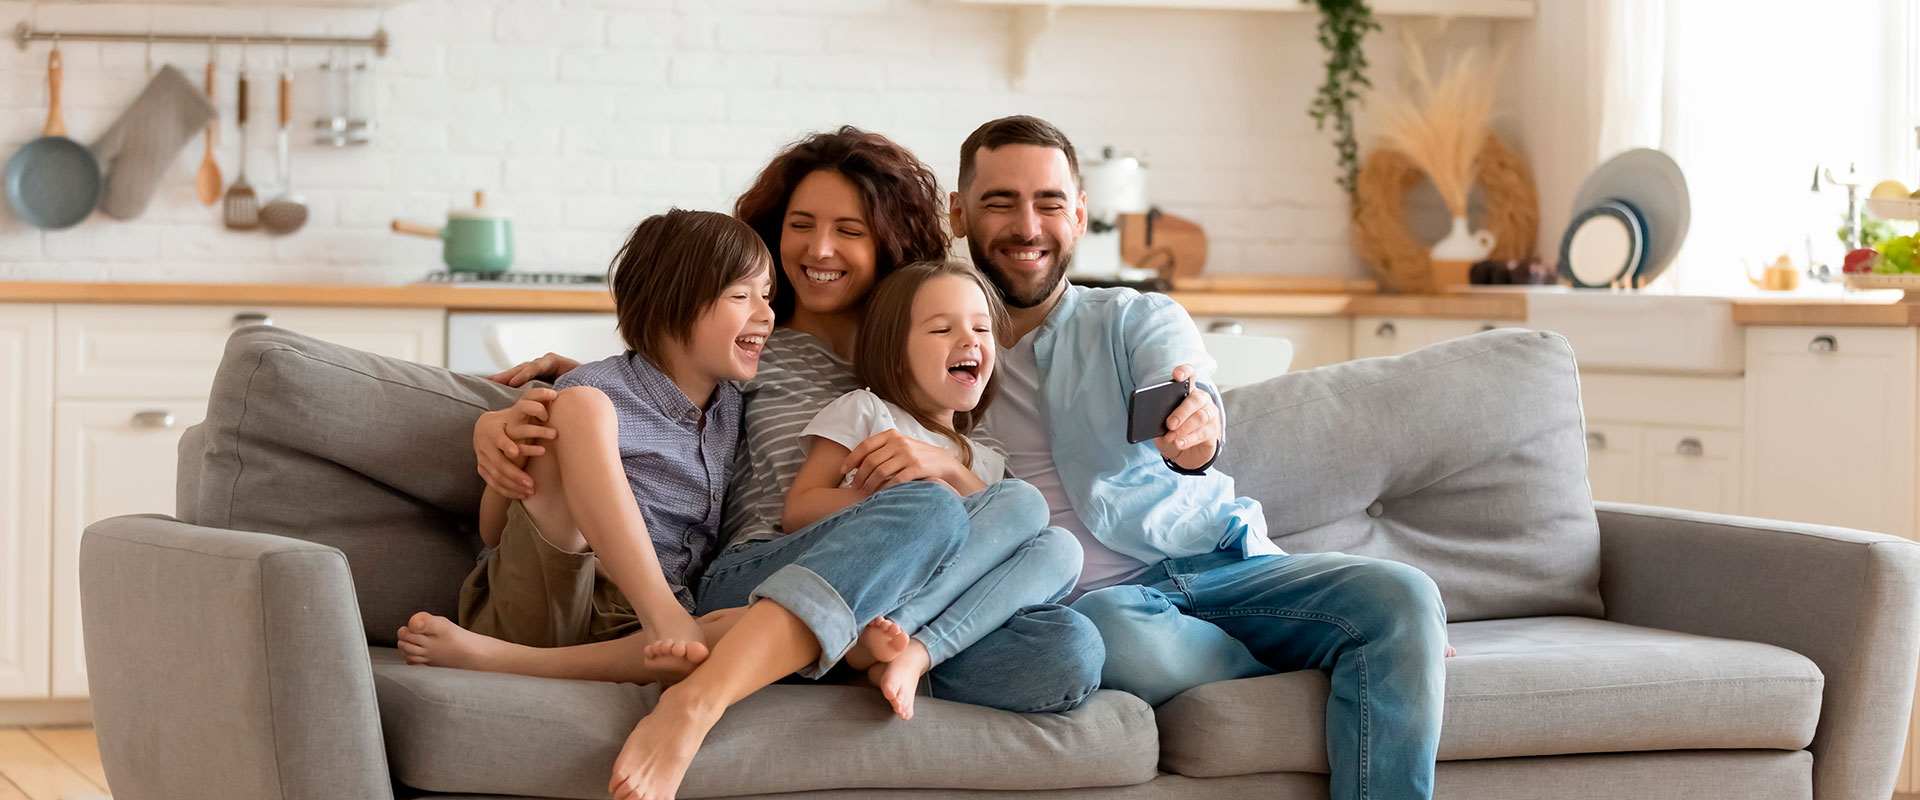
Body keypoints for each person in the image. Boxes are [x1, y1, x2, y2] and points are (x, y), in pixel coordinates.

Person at [468, 128, 1105, 800]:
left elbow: (1001, 515)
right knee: (925, 510)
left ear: (888, 243)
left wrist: (942, 465)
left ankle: (864, 649)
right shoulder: (752, 349)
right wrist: (508, 413)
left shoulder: (922, 360)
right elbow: (648, 382)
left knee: (1067, 651)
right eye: (801, 225)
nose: (820, 248)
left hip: (896, 601)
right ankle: (711, 694)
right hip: (760, 574)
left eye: (849, 230)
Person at [951, 115, 1451, 800]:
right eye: (1000, 201)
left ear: (1081, 215)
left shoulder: (1131, 318)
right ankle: (1321, 663)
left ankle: (1365, 644)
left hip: (1222, 568)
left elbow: (1189, 392)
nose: (1027, 226)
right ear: (959, 211)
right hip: (1112, 609)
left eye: (1050, 202)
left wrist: (1196, 433)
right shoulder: (937, 342)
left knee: (1406, 594)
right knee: (1106, 632)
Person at [396, 208, 774, 684]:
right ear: (668, 306)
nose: (766, 313)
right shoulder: (588, 392)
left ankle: (499, 660)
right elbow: (494, 531)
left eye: (767, 295)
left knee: (765, 622)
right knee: (582, 407)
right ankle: (657, 612)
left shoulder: (733, 411)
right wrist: (511, 447)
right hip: (546, 598)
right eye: (742, 295)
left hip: (637, 632)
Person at [778, 260, 1082, 719]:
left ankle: (913, 653)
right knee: (1021, 503)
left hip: (943, 617)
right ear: (896, 352)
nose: (969, 340)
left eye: (981, 327)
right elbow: (797, 511)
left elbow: (1013, 536)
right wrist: (887, 501)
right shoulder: (868, 413)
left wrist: (951, 469)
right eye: (942, 330)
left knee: (1062, 548)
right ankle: (876, 640)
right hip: (870, 584)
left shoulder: (988, 458)